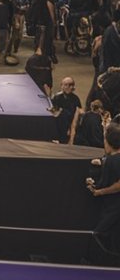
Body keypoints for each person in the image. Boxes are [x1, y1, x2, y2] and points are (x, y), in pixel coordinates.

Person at [86, 125, 120, 258]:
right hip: (112, 208)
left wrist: (100, 192)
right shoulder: (109, 160)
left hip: (114, 209)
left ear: (108, 142)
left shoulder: (112, 161)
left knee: (100, 235)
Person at [50, 77, 81, 145]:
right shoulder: (57, 98)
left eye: (70, 85)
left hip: (72, 125)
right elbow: (54, 114)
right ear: (61, 86)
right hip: (60, 126)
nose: (68, 87)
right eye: (66, 85)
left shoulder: (76, 99)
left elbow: (78, 113)